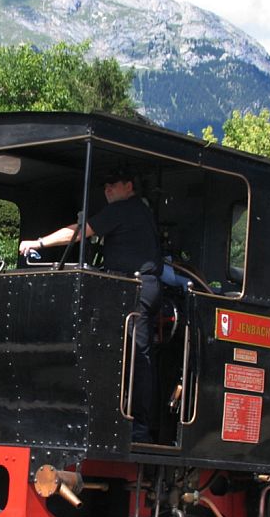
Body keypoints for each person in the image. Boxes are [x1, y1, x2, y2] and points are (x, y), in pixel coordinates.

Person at [19, 167, 162, 443]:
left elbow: (80, 231)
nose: (107, 189)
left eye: (113, 184)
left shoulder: (124, 209)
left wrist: (39, 242)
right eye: (105, 185)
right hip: (135, 287)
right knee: (132, 355)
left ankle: (139, 427)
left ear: (129, 186)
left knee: (136, 357)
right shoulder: (138, 211)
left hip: (135, 290)